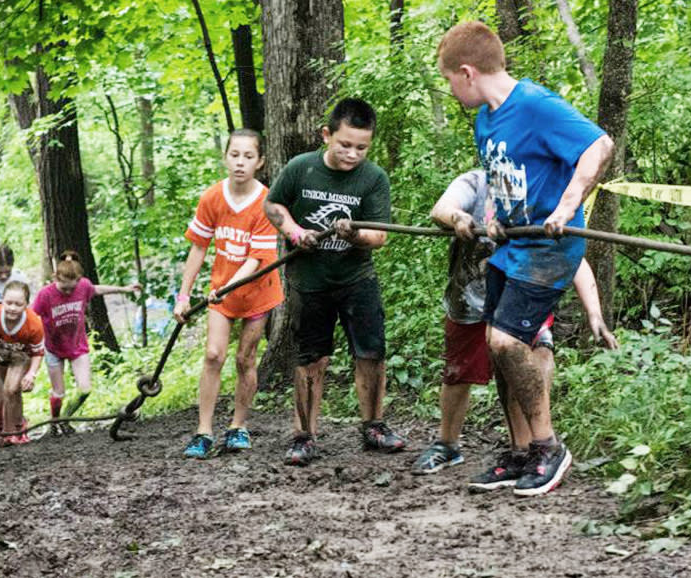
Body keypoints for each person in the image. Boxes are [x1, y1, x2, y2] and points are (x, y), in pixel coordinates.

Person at [437, 21, 615, 496]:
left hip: (549, 247)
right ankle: (519, 452)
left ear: (468, 72)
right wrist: (494, 216)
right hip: (509, 246)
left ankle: (548, 448)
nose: (450, 88)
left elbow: (600, 144)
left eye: (449, 79)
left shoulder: (535, 105)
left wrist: (566, 205)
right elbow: (504, 179)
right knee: (503, 350)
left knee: (505, 342)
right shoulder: (485, 119)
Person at [412, 170, 618, 477]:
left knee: (525, 362)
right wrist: (458, 217)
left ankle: (526, 450)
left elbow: (575, 258)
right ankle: (447, 444)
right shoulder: (476, 182)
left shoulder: (546, 193)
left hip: (524, 297)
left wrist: (595, 314)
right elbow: (441, 208)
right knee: (459, 371)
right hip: (471, 296)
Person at [263, 97, 406, 467]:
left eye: (361, 147)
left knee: (371, 353)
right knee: (311, 358)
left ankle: (373, 426)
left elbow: (380, 236)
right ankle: (304, 434)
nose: (352, 154)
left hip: (356, 278)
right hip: (309, 281)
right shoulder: (301, 168)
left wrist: (355, 233)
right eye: (344, 144)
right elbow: (274, 205)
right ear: (327, 135)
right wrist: (295, 232)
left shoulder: (373, 178)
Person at [173, 129, 283, 459]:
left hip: (257, 294)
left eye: (248, 156)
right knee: (212, 355)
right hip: (219, 295)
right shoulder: (211, 198)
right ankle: (203, 431)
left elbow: (257, 258)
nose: (240, 162)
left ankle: (237, 426)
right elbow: (198, 249)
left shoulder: (266, 202)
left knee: (244, 359)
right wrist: (184, 295)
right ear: (225, 157)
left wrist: (227, 287)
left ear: (260, 161)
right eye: (235, 155)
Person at [32, 253, 141, 436]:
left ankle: (66, 419)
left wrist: (125, 289)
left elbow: (98, 289)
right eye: (64, 289)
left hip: (77, 346)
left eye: (71, 289)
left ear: (79, 280)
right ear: (56, 278)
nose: (68, 293)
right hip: (54, 348)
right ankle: (54, 423)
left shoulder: (83, 286)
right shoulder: (46, 295)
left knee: (85, 389)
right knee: (58, 393)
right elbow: (32, 317)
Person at [0, 281, 44, 446]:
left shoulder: (34, 324)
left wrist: (31, 374)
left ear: (26, 304)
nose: (12, 308)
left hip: (21, 356)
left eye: (18, 304)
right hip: (0, 352)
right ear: (2, 301)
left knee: (10, 389)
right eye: (9, 303)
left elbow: (38, 352)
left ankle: (12, 431)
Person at [0, 245, 33, 436]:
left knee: (13, 390)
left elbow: (29, 311)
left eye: (8, 272)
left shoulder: (20, 278)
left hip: (16, 341)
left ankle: (14, 430)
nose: (5, 277)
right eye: (0, 274)